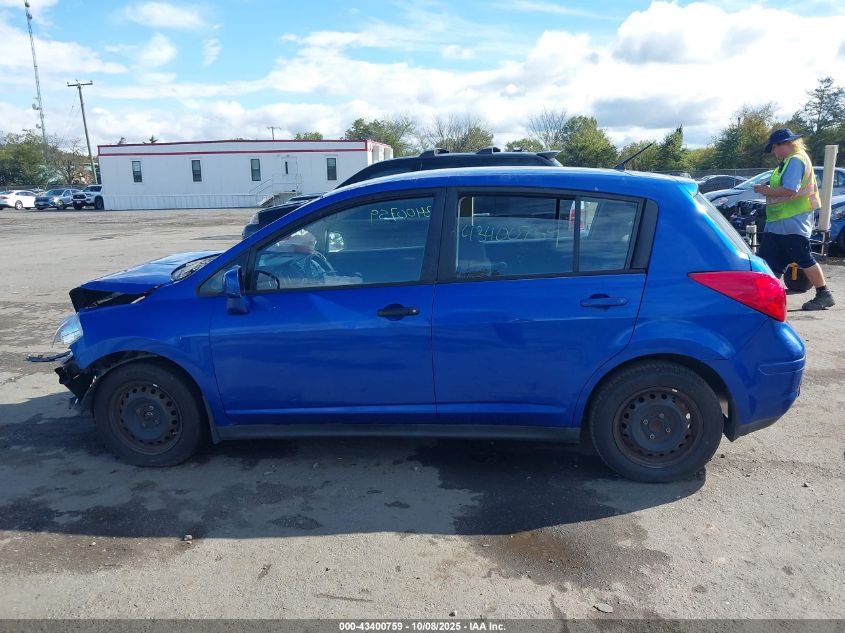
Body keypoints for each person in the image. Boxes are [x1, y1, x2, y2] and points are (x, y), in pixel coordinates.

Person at [753, 128, 835, 311]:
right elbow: (785, 187)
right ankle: (764, 297)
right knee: (769, 261)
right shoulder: (788, 162)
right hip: (780, 223)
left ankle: (824, 294)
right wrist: (768, 188)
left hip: (792, 222)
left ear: (784, 144)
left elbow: (790, 189)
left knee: (802, 258)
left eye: (773, 147)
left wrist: (766, 190)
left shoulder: (796, 160)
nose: (773, 152)